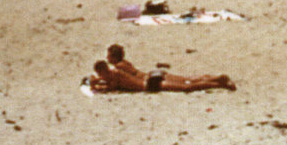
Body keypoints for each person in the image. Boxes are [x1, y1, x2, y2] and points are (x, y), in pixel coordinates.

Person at [90, 43, 235, 92]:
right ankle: (217, 78)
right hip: (152, 74)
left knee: (187, 86)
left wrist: (98, 82)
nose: (107, 59)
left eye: (109, 56)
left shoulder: (118, 68)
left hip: (149, 82)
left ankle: (218, 84)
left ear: (114, 57)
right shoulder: (125, 63)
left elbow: (113, 83)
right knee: (188, 79)